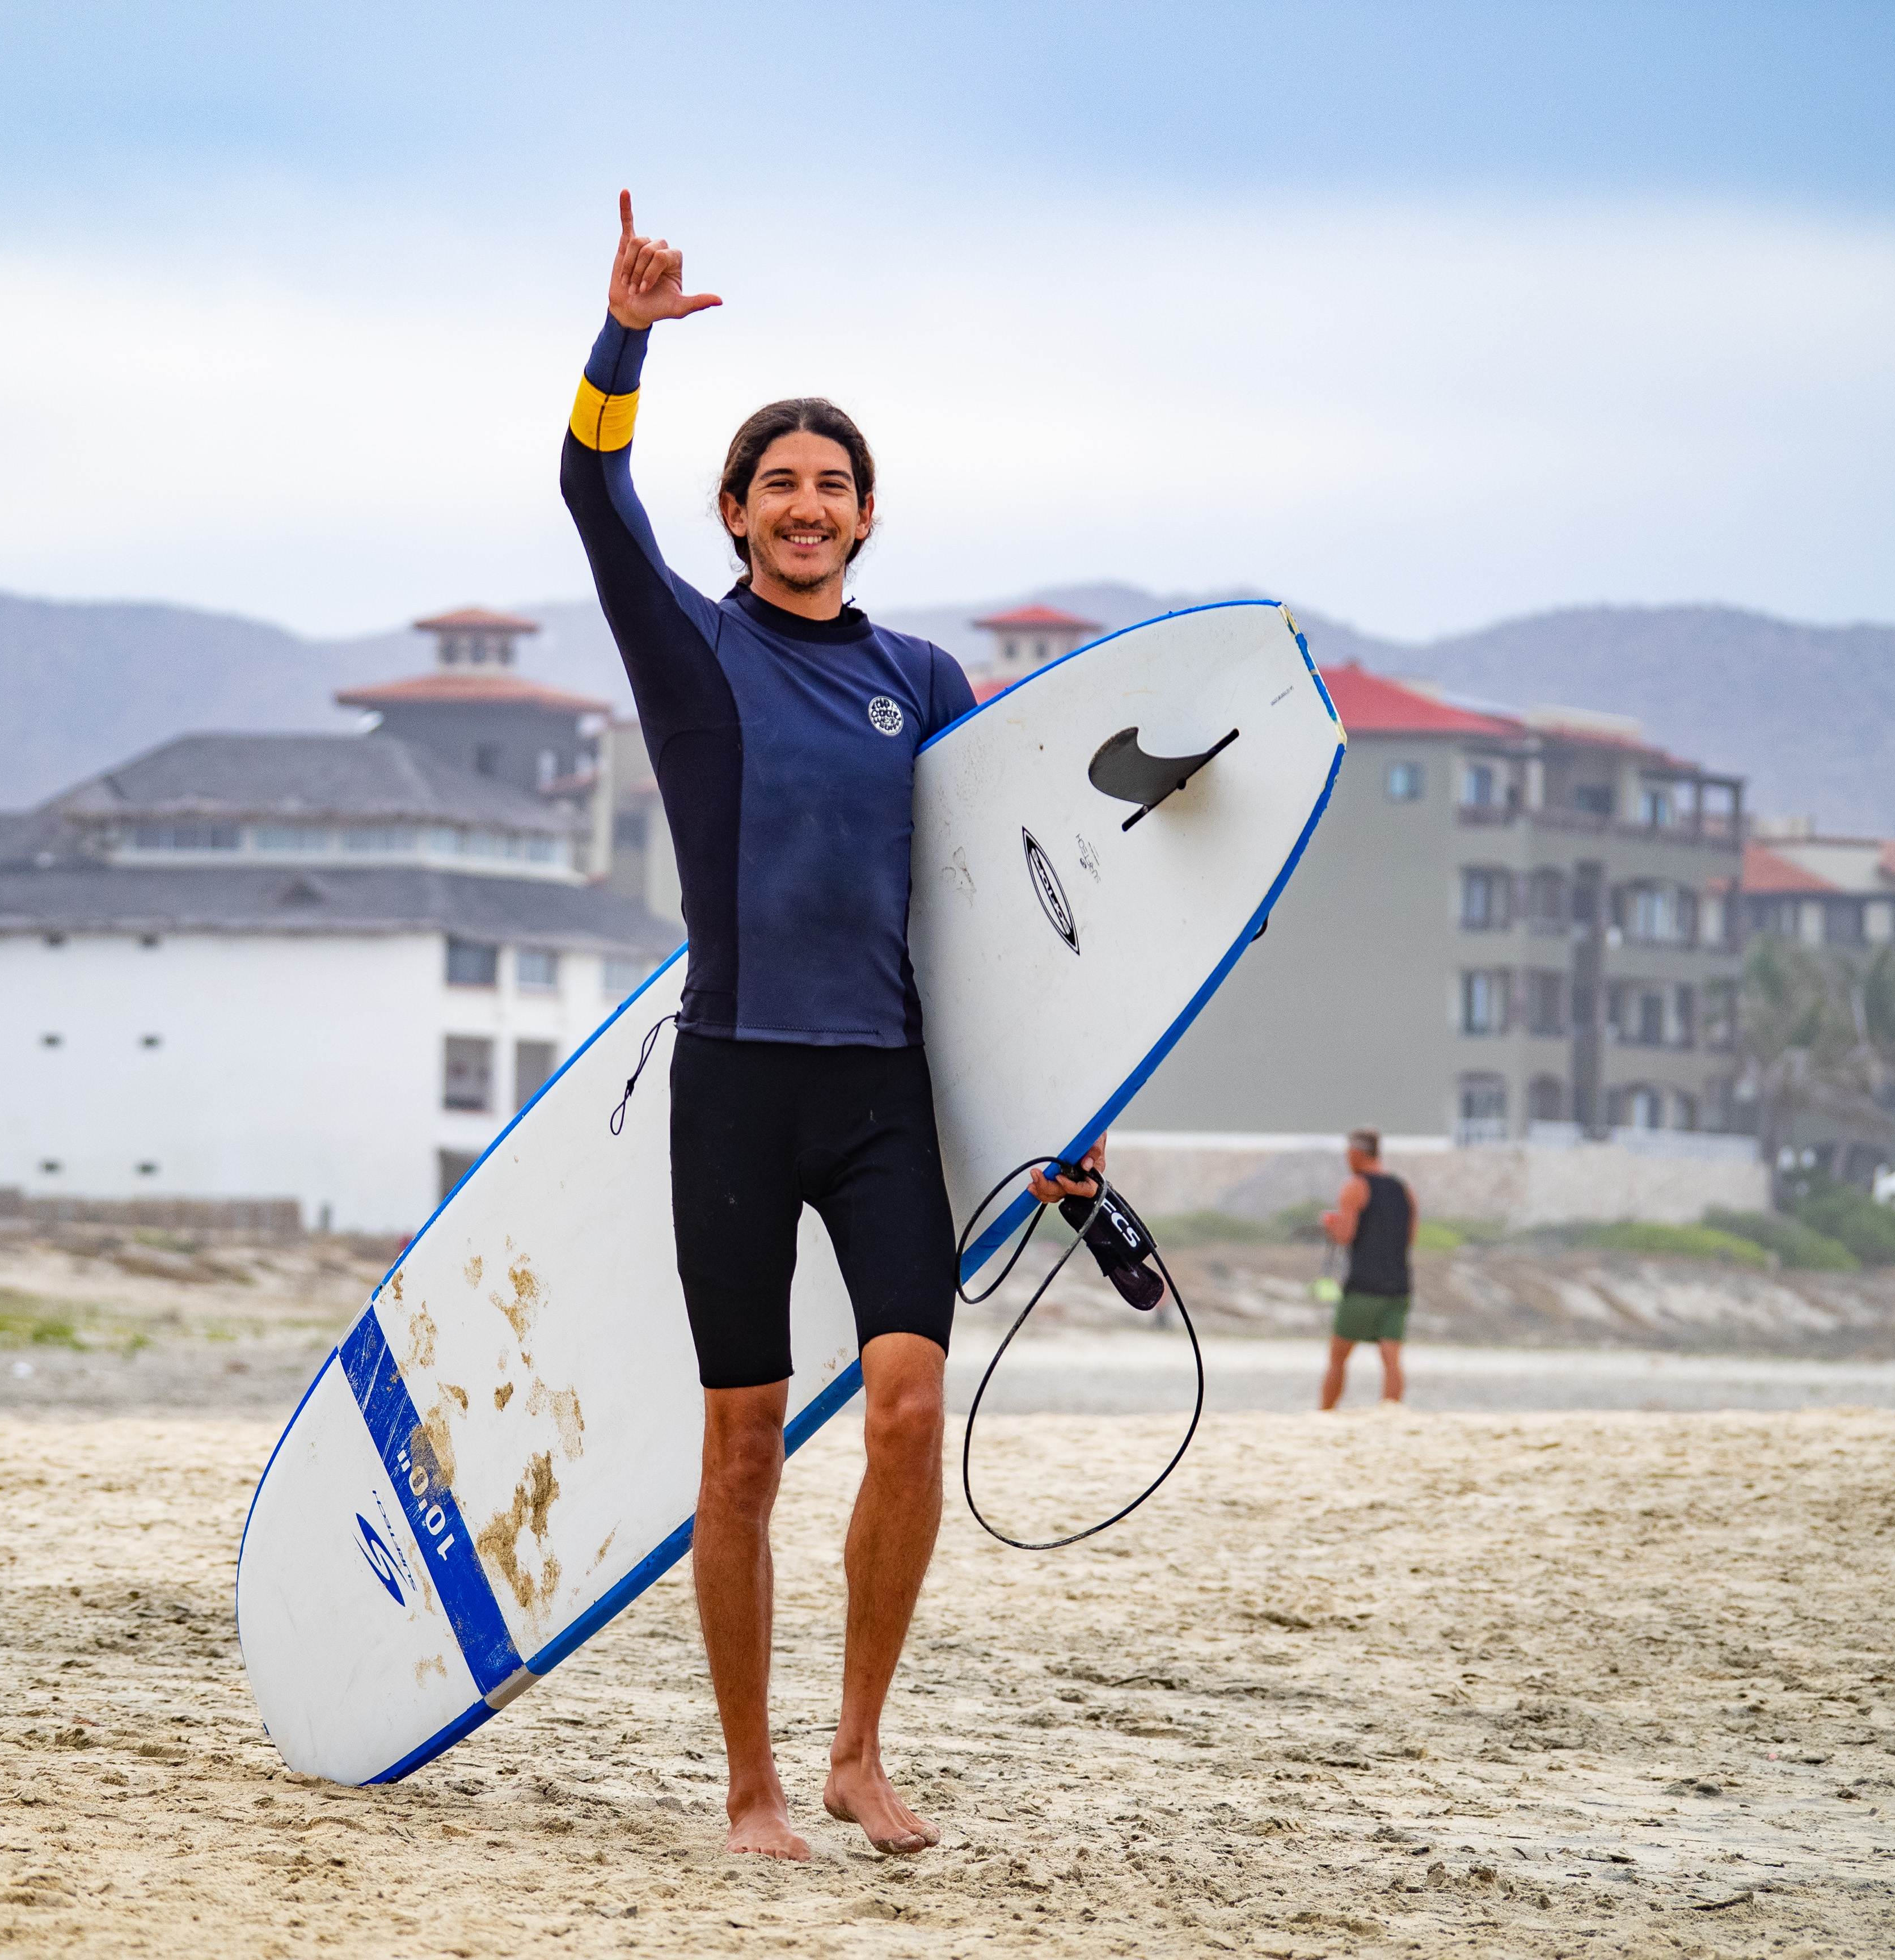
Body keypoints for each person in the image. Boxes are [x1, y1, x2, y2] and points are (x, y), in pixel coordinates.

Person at [561, 192, 1103, 1860]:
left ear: (867, 517)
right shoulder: (693, 651)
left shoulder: (929, 684)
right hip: (734, 1080)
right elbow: (590, 489)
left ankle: (861, 1751)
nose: (807, 506)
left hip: (882, 1091)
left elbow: (1014, 923)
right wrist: (626, 337)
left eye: (833, 484)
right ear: (735, 514)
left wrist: (1073, 1118)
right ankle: (751, 1787)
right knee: (740, 1450)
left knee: (907, 1405)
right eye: (778, 484)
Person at [1319, 1127, 1414, 1408]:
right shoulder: (1404, 1188)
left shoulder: (1355, 1186)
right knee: (1391, 1357)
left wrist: (1331, 1225)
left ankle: (1326, 1412)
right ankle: (1391, 1411)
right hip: (1398, 1284)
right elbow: (1410, 1235)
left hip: (1364, 1284)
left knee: (1338, 1355)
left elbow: (1345, 1236)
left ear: (1357, 1153)